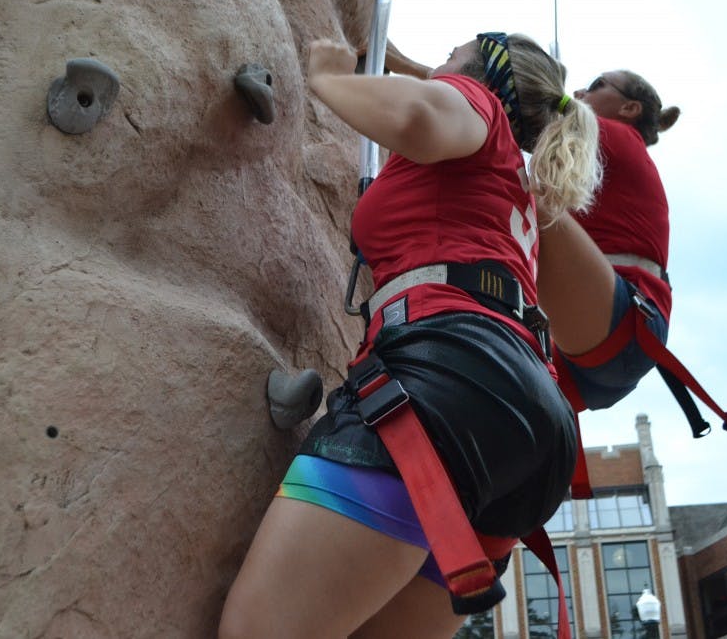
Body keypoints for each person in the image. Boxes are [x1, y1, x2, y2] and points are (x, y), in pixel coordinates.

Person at [219, 32, 600, 639]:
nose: (442, 62)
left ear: (482, 72)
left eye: (454, 51)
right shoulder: (516, 189)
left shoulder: (477, 103)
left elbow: (419, 115)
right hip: (527, 423)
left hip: (445, 381)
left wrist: (328, 78)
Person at [535, 70, 680, 412]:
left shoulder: (619, 136)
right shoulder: (597, 153)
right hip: (602, 340)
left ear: (630, 108)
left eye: (597, 85)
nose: (580, 90)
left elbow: (510, 102)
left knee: (522, 196)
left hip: (622, 320)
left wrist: (411, 70)